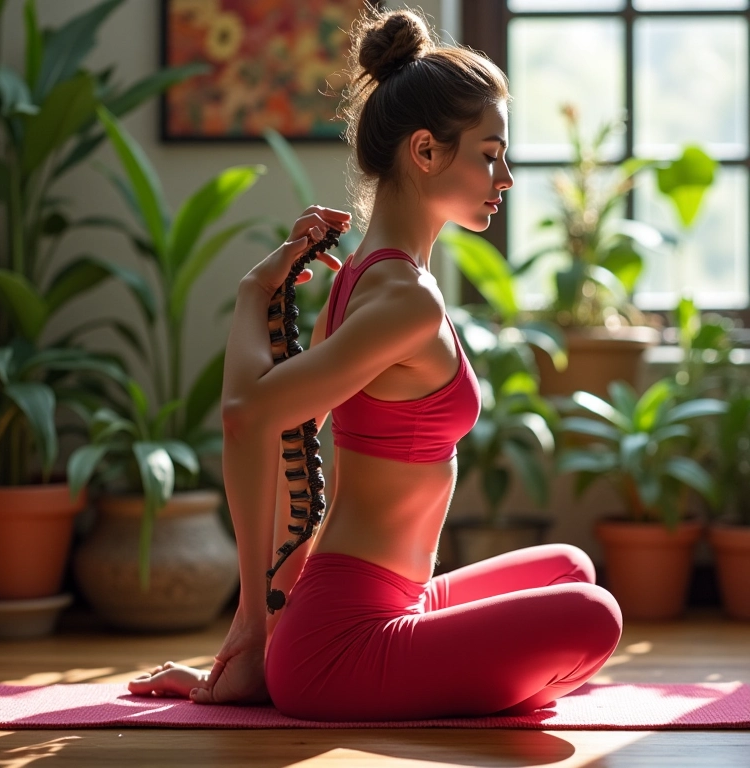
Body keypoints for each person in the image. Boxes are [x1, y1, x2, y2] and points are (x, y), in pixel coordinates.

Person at [129, 5, 622, 721]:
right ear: (425, 152)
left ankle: (441, 666)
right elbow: (250, 421)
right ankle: (322, 665)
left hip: (387, 598)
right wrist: (253, 626)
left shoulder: (368, 275)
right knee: (592, 617)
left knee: (569, 569)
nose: (505, 175)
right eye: (489, 153)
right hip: (341, 641)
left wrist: (253, 294)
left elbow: (270, 418)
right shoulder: (403, 302)